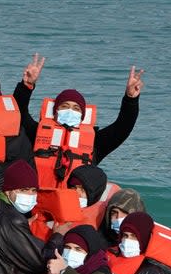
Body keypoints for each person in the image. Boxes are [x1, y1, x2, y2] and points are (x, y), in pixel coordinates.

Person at [14, 53, 144, 189]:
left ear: (82, 116)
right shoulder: (36, 132)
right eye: (64, 106)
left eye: (76, 108)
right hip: (36, 197)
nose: (70, 110)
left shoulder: (96, 142)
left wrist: (131, 99)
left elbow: (123, 126)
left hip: (74, 204)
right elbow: (19, 112)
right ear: (55, 112)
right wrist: (27, 85)